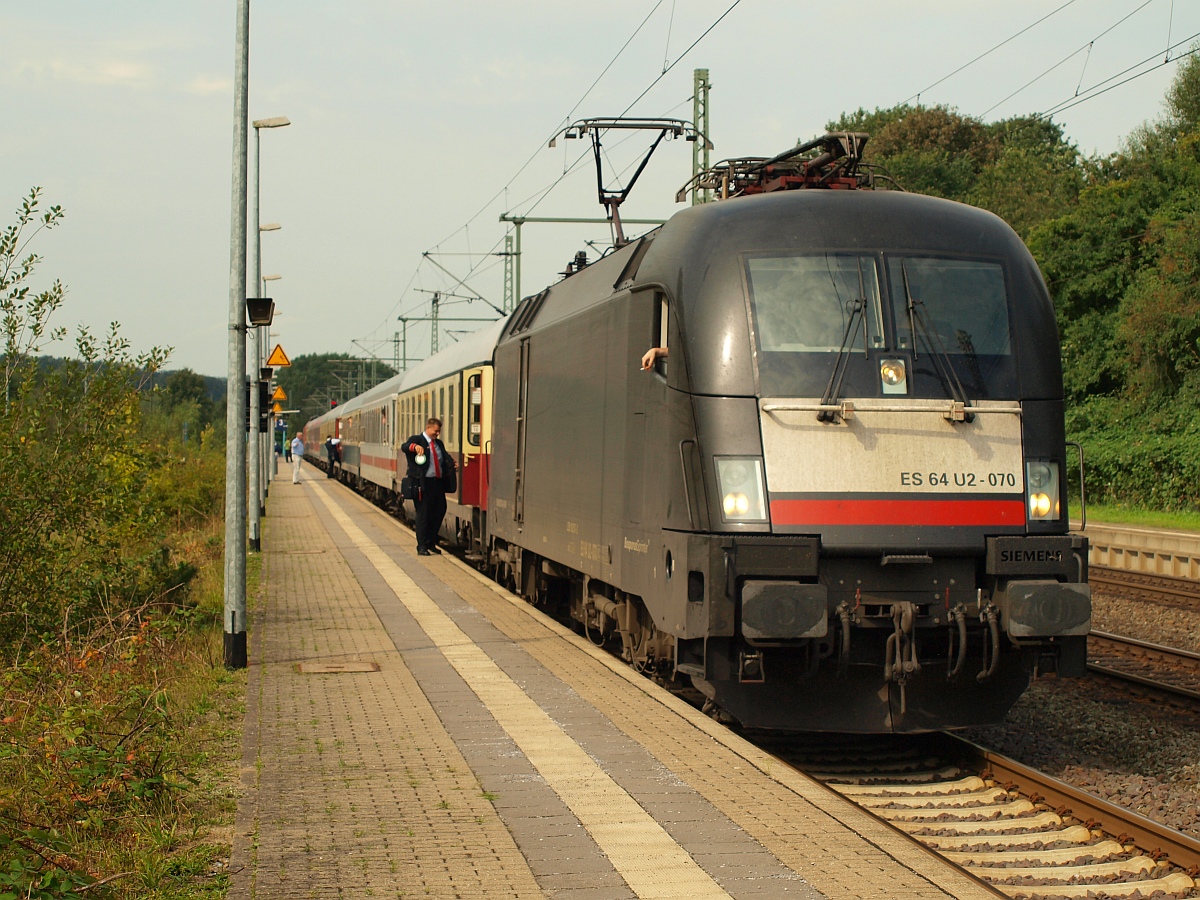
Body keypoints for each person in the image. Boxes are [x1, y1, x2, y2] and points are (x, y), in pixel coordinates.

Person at [403, 417, 452, 556]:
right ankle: (422, 545)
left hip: (437, 483)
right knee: (423, 514)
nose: (437, 433)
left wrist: (451, 464)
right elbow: (405, 447)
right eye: (435, 431)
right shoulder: (418, 440)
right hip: (422, 483)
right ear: (428, 428)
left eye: (439, 431)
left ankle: (431, 542)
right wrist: (414, 447)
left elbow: (444, 457)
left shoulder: (439, 444)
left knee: (440, 510)